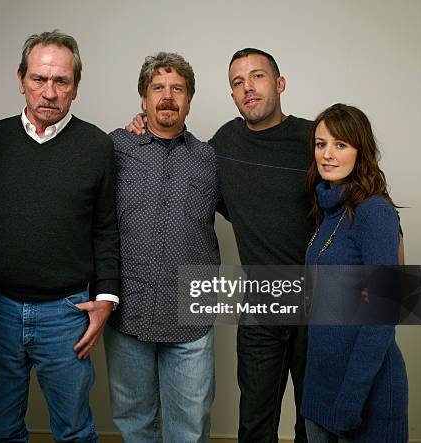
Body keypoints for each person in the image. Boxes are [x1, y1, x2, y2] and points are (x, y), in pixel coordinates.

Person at [127, 48, 312, 442]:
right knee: (256, 421)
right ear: (231, 95)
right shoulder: (222, 146)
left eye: (258, 77)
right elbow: (178, 164)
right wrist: (143, 126)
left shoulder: (315, 138)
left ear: (279, 83)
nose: (248, 88)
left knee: (314, 421)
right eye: (237, 82)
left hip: (322, 299)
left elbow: (362, 193)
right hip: (262, 301)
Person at [0, 30, 119, 443]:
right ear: (20, 79)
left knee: (74, 430)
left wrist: (106, 299)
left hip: (67, 312)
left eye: (62, 81)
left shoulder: (96, 145)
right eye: (39, 79)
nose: (49, 91)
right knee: (0, 428)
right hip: (0, 309)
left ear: (75, 87)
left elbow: (106, 226)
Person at [105, 52, 220, 443]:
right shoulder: (115, 147)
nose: (167, 96)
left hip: (191, 313)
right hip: (128, 310)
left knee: (189, 427)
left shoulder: (211, 158)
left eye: (177, 89)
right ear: (143, 98)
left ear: (190, 99)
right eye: (158, 88)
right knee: (134, 421)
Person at [302, 103, 408, 443]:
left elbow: (382, 315)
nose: (327, 154)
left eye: (340, 144)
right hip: (320, 391)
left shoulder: (374, 212)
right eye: (321, 144)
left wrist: (350, 401)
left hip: (364, 394)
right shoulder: (328, 210)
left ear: (360, 150)